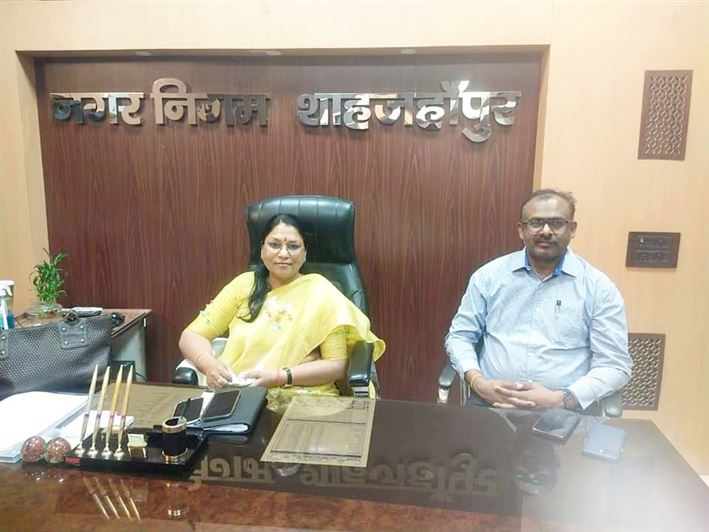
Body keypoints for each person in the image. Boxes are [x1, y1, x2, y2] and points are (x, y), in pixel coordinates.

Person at [445, 189, 632, 411]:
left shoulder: (598, 288)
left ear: (572, 229)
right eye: (535, 223)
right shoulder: (488, 277)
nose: (545, 231)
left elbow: (615, 365)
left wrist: (562, 399)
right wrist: (477, 381)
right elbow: (460, 336)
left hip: (566, 410)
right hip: (491, 403)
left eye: (556, 223)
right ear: (521, 230)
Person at [179, 213, 385, 407]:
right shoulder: (244, 285)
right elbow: (192, 335)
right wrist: (209, 365)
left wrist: (279, 377)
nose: (284, 254)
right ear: (262, 250)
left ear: (304, 254)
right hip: (239, 394)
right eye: (274, 245)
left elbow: (337, 365)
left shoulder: (321, 293)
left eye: (293, 246)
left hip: (303, 398)